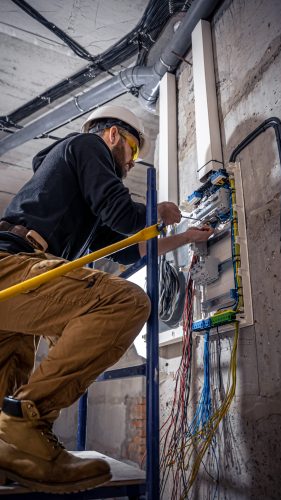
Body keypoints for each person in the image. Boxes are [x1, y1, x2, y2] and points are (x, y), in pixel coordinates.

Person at [0, 104, 213, 493]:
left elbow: (132, 249)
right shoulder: (86, 146)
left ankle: (10, 454)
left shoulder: (77, 200)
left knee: (9, 371)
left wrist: (185, 238)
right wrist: (159, 212)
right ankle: (26, 419)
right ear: (113, 135)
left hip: (14, 282)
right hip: (13, 262)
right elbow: (125, 215)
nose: (130, 164)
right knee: (125, 303)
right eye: (132, 150)